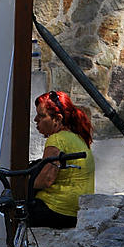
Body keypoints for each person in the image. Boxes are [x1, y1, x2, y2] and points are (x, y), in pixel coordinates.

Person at [30, 90, 95, 229]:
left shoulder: (57, 139)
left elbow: (46, 179)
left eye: (41, 116)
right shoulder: (78, 137)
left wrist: (22, 182)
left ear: (57, 119)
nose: (36, 120)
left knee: (11, 211)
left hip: (57, 210)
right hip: (76, 210)